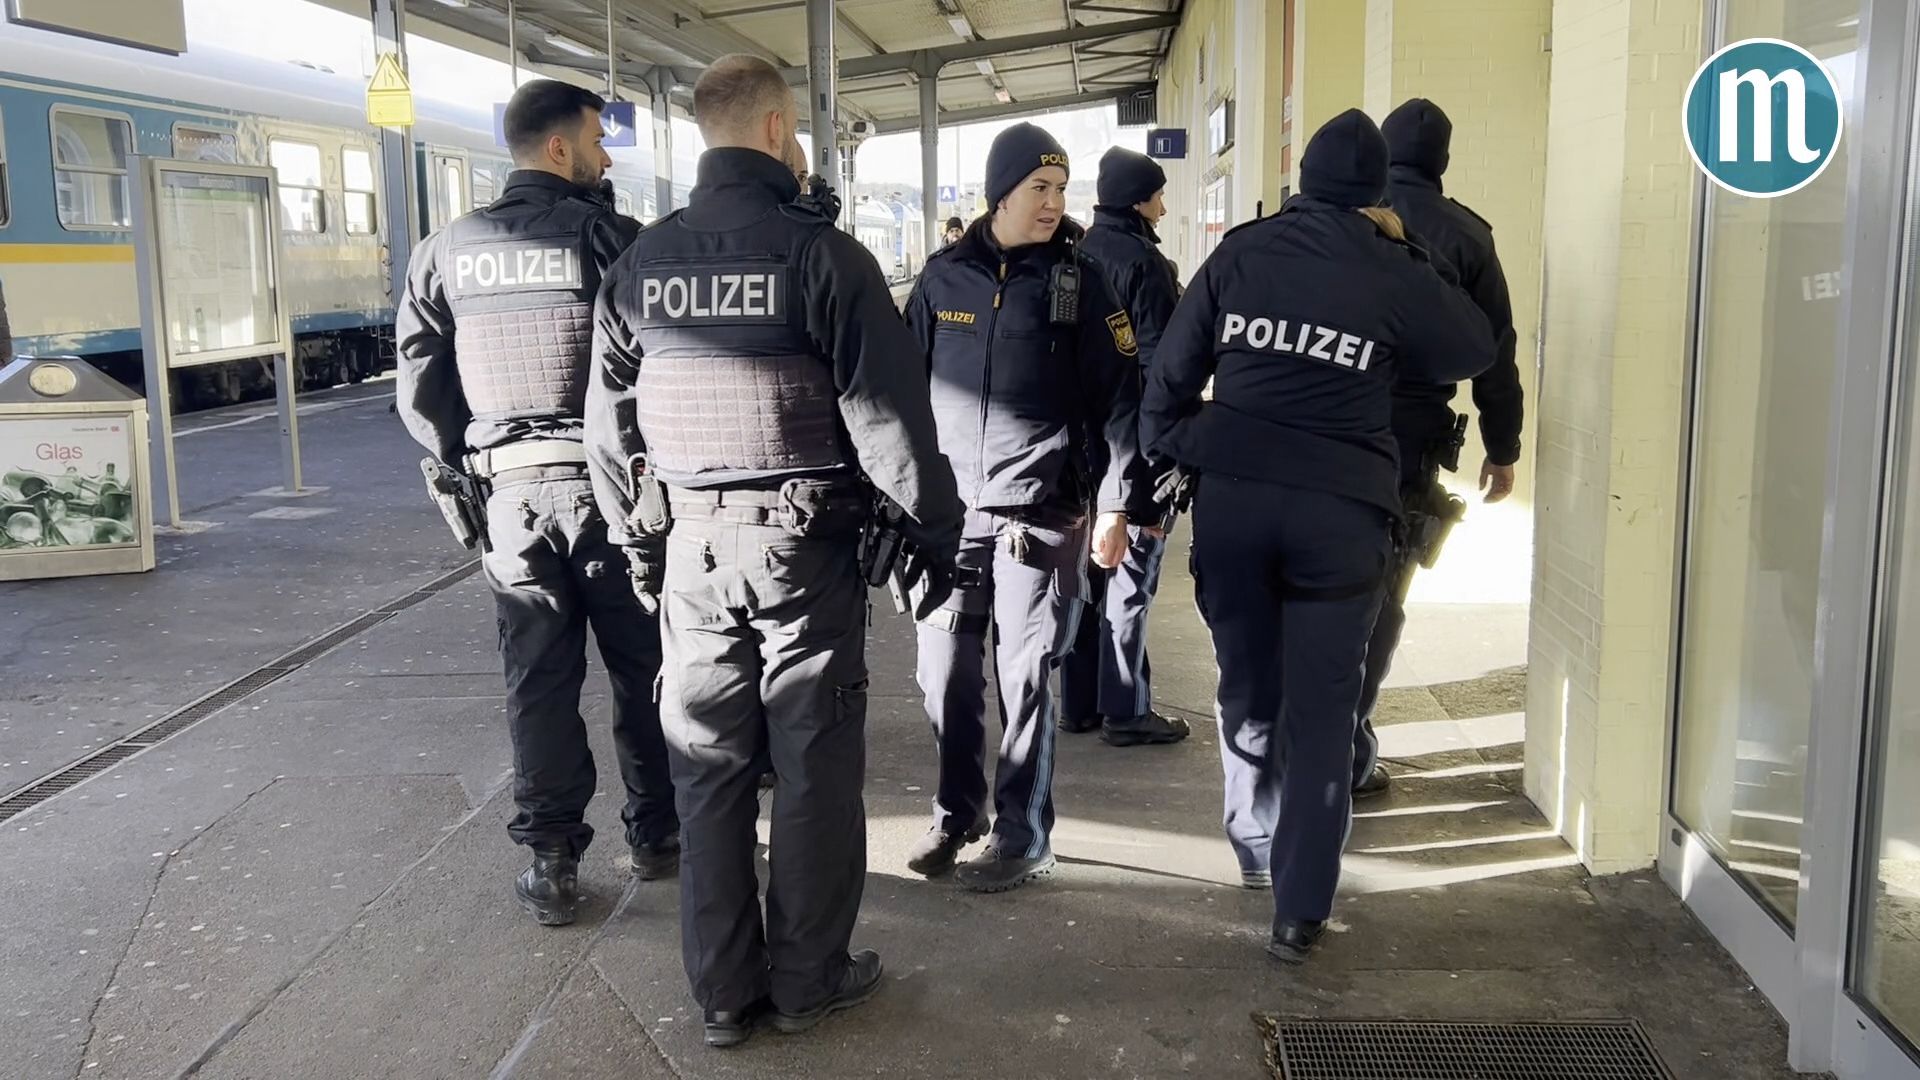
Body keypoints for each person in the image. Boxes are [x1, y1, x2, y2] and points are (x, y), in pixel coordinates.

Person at [584, 54, 963, 1049]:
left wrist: (639, 551)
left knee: (706, 768)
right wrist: (936, 535)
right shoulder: (824, 258)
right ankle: (807, 980)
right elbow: (890, 423)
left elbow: (610, 434)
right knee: (812, 765)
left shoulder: (641, 264)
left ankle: (721, 993)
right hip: (803, 556)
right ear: (774, 128)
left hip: (690, 553)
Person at [1141, 109, 1495, 964]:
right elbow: (1471, 348)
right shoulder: (1390, 266)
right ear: (1377, 194)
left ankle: (1254, 847)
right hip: (1340, 516)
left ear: (1301, 176)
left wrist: (1208, 444)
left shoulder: (1241, 254)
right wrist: (1407, 248)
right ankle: (1300, 909)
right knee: (1325, 711)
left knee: (1247, 686)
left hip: (1237, 508)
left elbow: (1165, 391)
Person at [394, 79, 679, 928]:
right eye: (597, 140)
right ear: (559, 148)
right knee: (642, 668)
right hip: (611, 496)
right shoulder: (610, 239)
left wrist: (472, 462)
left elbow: (419, 390)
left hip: (510, 501)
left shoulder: (443, 251)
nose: (606, 156)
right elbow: (656, 365)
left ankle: (552, 862)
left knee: (538, 681)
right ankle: (660, 835)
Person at [902, 122, 1156, 893]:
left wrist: (1117, 504)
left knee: (1026, 678)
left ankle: (1023, 835)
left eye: (1061, 188)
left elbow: (1122, 401)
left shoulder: (1082, 284)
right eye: (1039, 187)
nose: (1053, 202)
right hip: (951, 517)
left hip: (1040, 514)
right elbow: (903, 394)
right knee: (944, 675)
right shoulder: (942, 279)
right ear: (1000, 193)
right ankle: (957, 815)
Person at [1349, 97, 1525, 798]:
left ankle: (1302, 740)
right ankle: (1349, 746)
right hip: (1411, 438)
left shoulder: (1350, 218)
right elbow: (1496, 353)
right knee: (1383, 593)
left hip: (1329, 429)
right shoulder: (1469, 236)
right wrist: (1502, 446)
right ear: (1443, 160)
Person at [1060, 146, 1190, 748]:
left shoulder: (1076, 254)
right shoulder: (1145, 264)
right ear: (1139, 200)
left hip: (1078, 446)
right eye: (1158, 196)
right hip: (1134, 440)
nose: (1162, 207)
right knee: (1132, 575)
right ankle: (1127, 709)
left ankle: (1079, 704)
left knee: (1087, 575)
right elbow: (1164, 367)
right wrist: (1169, 451)